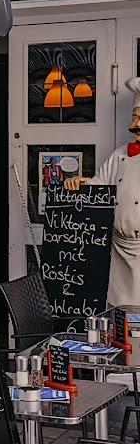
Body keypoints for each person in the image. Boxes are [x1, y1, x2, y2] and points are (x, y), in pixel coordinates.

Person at [65, 77, 140, 307]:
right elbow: (99, 186)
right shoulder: (120, 155)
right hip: (119, 250)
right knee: (119, 316)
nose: (136, 124)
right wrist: (79, 183)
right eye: (135, 117)